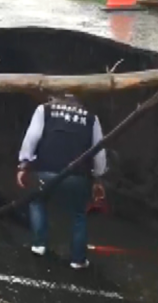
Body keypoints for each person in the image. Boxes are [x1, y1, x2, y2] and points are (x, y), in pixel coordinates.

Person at [16, 94, 107, 270]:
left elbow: (32, 137)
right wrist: (98, 178)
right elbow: (99, 151)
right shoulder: (91, 119)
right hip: (77, 176)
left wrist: (23, 164)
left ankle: (39, 245)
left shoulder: (45, 109)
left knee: (37, 201)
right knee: (79, 215)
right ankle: (78, 260)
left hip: (46, 171)